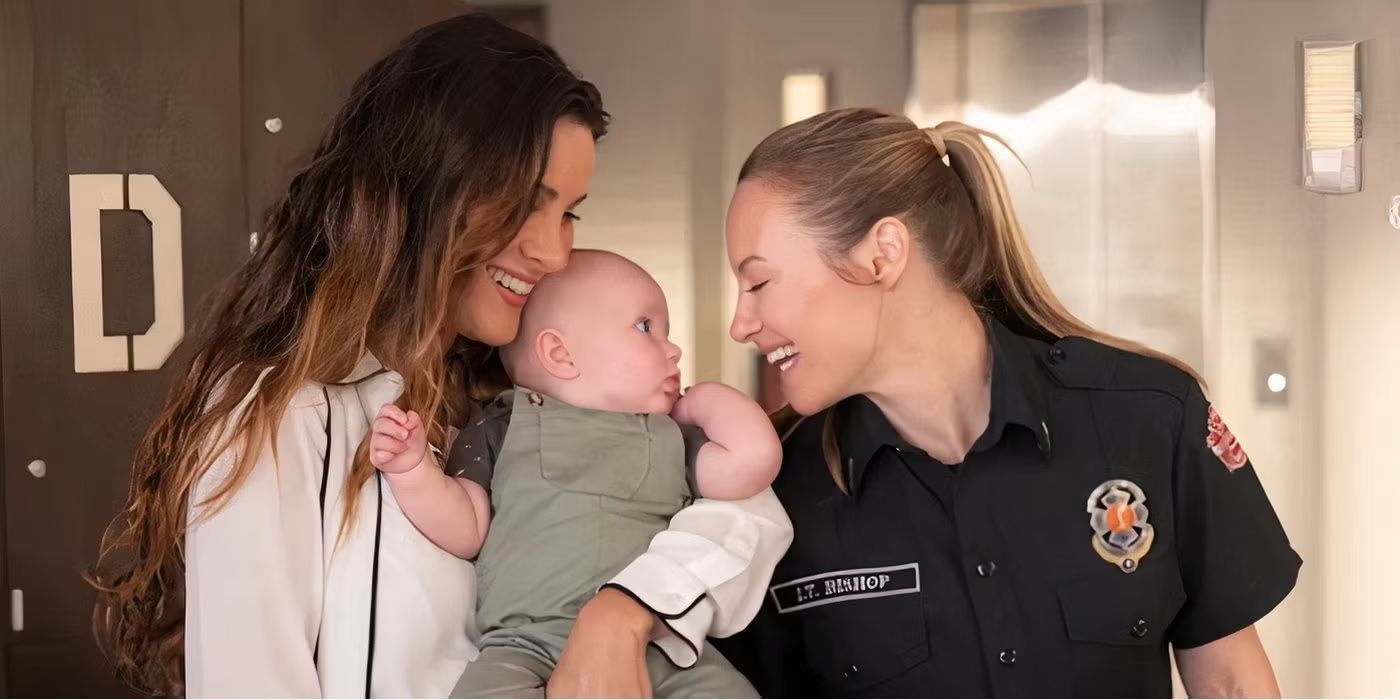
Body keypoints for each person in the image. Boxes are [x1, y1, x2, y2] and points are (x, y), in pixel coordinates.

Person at [88, 15, 790, 698]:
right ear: (429, 189)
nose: (552, 250)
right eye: (523, 204)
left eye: (569, 213)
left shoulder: (528, 388)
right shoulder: (280, 417)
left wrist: (625, 610)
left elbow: (749, 515)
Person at [713, 108, 1301, 698]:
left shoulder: (1150, 418)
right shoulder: (772, 500)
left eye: (759, 283)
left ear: (882, 254)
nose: (741, 324)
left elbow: (1231, 681)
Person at [365, 249, 780, 698]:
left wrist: (709, 399)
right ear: (560, 354)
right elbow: (467, 526)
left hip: (658, 648)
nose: (673, 348)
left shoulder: (670, 435)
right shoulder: (500, 425)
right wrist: (413, 471)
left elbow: (751, 463)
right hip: (523, 645)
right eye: (646, 327)